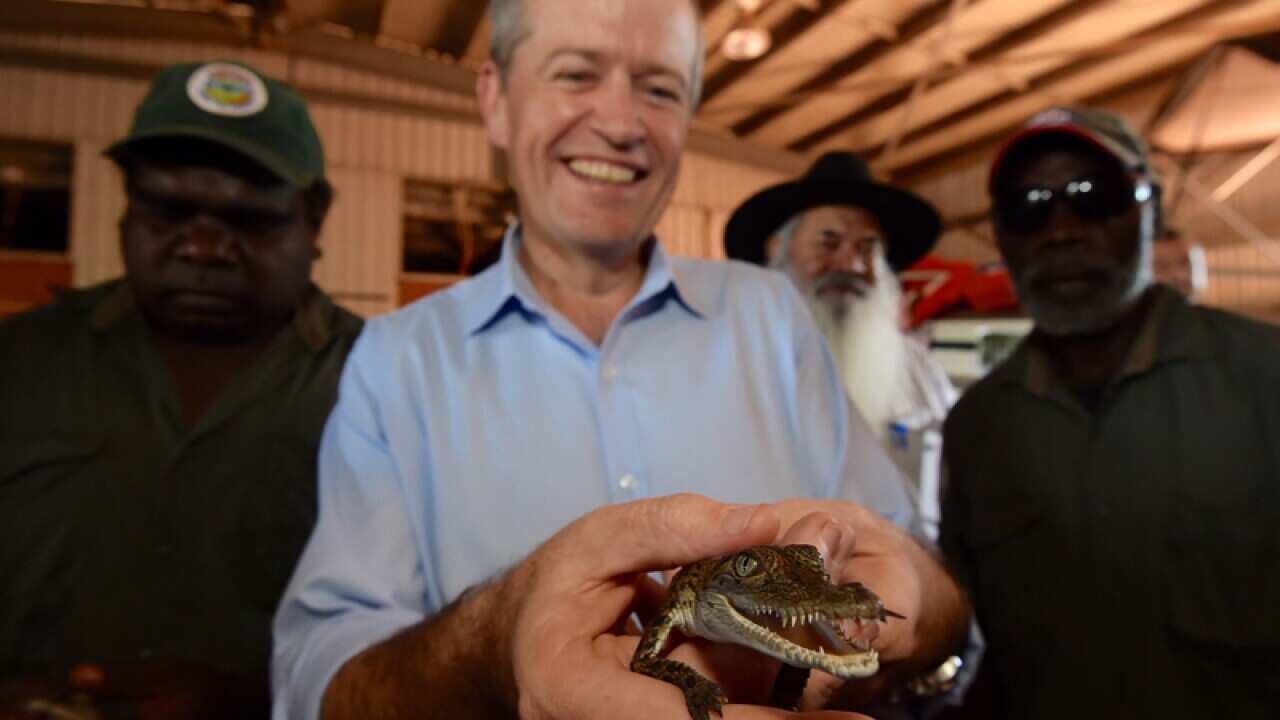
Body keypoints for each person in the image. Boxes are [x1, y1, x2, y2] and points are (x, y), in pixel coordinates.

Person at [271, 1, 970, 719]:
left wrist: (914, 606)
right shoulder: (396, 358)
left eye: (659, 88)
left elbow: (925, 572)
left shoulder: (773, 316)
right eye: (575, 74)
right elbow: (314, 679)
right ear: (496, 100)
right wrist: (493, 639)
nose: (620, 122)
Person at [0, 61, 362, 719]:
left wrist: (262, 700)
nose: (202, 247)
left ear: (315, 221)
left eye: (250, 220)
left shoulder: (385, 385)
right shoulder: (19, 365)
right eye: (167, 211)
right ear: (126, 205)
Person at [940, 106, 1280, 718]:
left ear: (1150, 210)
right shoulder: (978, 428)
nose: (1061, 231)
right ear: (1002, 238)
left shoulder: (1264, 378)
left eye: (1093, 197)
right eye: (1027, 208)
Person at [724, 152, 958, 539]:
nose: (851, 265)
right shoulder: (729, 362)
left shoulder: (923, 375)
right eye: (828, 242)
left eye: (868, 248)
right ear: (777, 249)